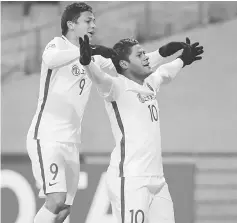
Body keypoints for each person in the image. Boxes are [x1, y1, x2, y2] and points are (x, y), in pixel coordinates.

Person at [26, 2, 192, 223]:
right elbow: (50, 60)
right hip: (46, 135)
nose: (93, 25)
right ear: (71, 24)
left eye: (94, 20)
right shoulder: (56, 45)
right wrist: (85, 53)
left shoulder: (95, 58)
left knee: (63, 210)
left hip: (72, 140)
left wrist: (164, 53)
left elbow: (130, 63)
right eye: (88, 20)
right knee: (56, 200)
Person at [79, 35, 203, 223]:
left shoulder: (150, 83)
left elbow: (164, 73)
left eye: (145, 53)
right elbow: (99, 78)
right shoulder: (116, 87)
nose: (146, 57)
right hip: (130, 178)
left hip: (158, 180)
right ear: (124, 64)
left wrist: (182, 60)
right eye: (140, 55)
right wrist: (88, 62)